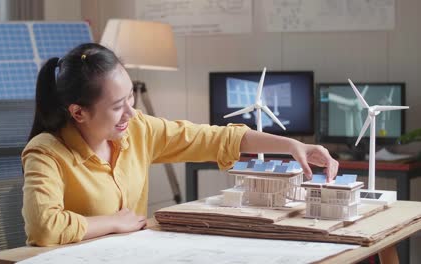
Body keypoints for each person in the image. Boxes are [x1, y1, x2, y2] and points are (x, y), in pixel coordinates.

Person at [22, 43, 339, 246]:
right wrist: (113, 222)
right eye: (118, 106)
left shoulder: (138, 130)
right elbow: (43, 227)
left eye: (131, 96)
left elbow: (213, 138)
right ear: (78, 112)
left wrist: (290, 145)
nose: (131, 112)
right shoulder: (45, 152)